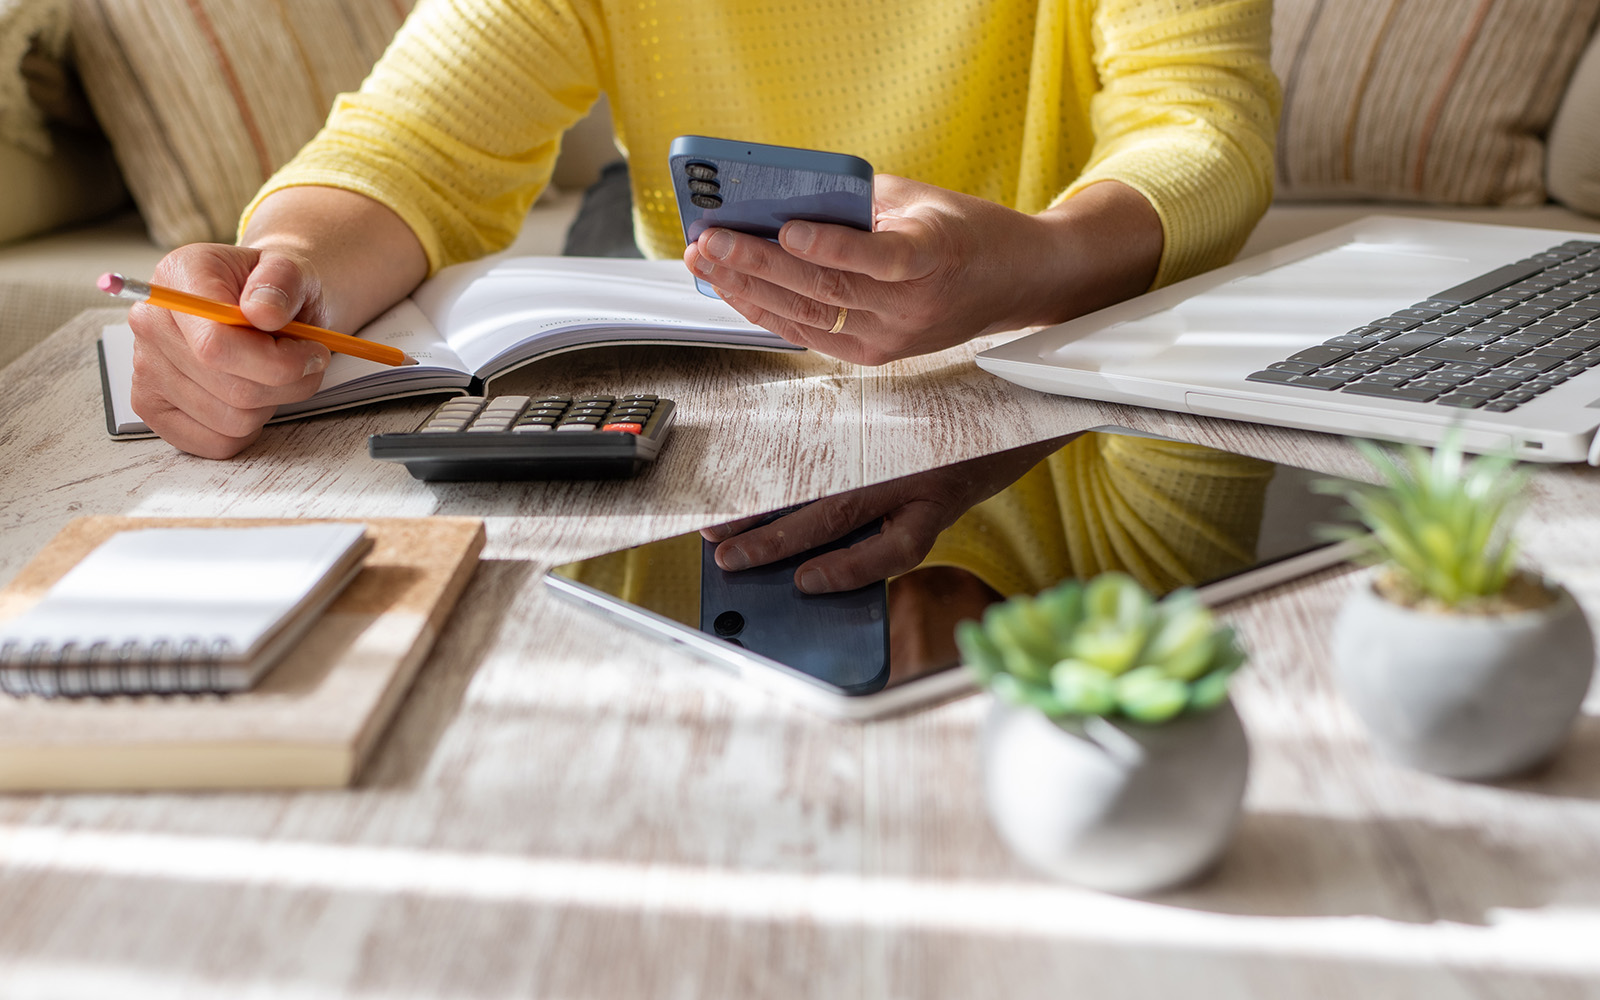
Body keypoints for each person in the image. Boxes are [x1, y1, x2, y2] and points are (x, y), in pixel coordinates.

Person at [126, 0, 1279, 460]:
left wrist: (1041, 258)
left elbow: (1200, 122)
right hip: (716, 385)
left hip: (1052, 388)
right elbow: (414, 144)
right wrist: (285, 273)